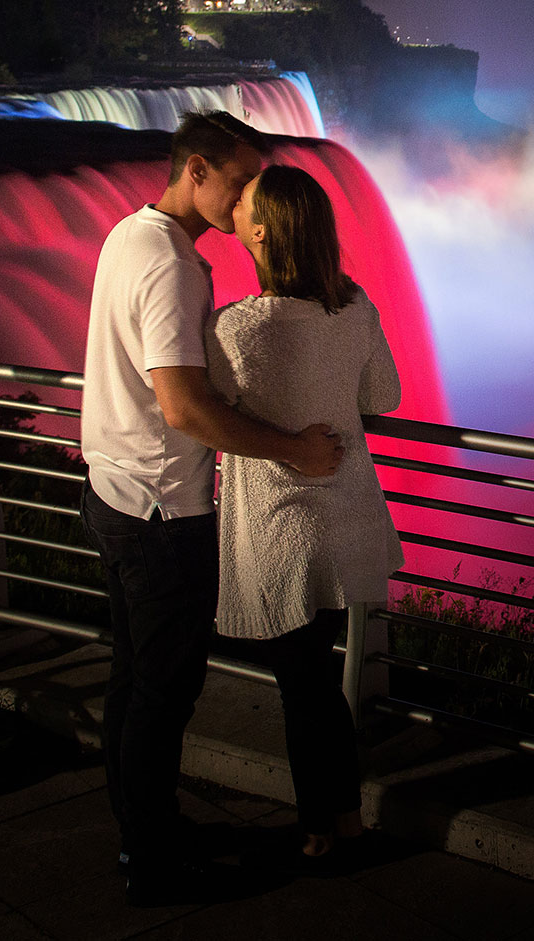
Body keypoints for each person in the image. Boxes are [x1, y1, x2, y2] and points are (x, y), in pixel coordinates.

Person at [79, 111, 345, 907]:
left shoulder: (127, 234)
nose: (245, 204)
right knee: (164, 690)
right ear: (196, 169)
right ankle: (154, 860)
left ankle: (141, 828)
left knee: (134, 680)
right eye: (237, 182)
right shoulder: (174, 267)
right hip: (162, 507)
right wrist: (295, 447)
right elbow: (185, 408)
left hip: (111, 487)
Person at [205, 163, 405, 866]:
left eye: (246, 203)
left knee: (304, 687)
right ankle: (341, 819)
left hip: (281, 529)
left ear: (262, 231)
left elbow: (201, 415)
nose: (233, 206)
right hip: (345, 518)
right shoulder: (355, 307)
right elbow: (385, 394)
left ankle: (327, 827)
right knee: (318, 677)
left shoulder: (234, 328)